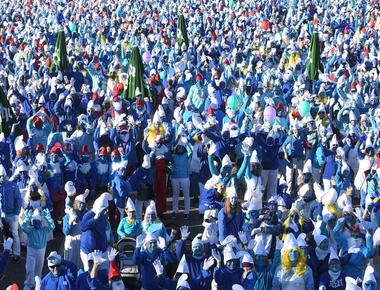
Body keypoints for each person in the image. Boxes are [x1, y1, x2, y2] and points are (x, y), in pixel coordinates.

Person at [21, 208, 55, 290]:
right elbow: (23, 227)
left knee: (38, 269)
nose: (37, 223)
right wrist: (28, 217)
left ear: (41, 222)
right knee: (29, 269)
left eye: (38, 222)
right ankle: (29, 284)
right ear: (32, 222)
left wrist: (48, 216)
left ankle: (37, 283)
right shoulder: (30, 230)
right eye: (35, 222)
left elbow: (52, 226)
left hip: (41, 251)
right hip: (31, 251)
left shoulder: (44, 230)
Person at [80, 192, 112, 271]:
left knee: (104, 272)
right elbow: (83, 227)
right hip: (89, 253)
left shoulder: (102, 215)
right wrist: (94, 219)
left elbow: (103, 229)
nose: (106, 211)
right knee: (90, 273)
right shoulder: (88, 215)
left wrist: (107, 242)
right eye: (105, 209)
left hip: (102, 250)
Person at [0, 164, 22, 261]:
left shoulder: (13, 185)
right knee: (5, 233)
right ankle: (7, 251)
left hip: (12, 215)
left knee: (14, 233)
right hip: (2, 215)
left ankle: (17, 253)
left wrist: (17, 214)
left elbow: (19, 200)